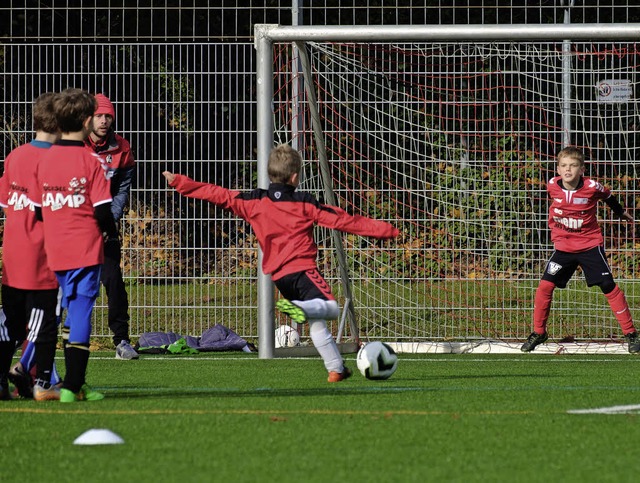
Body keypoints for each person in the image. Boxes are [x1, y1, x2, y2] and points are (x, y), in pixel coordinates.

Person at [163, 144, 399, 382]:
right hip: (303, 271)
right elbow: (342, 220)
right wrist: (384, 230)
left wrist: (181, 182)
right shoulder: (304, 203)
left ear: (270, 173)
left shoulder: (254, 201)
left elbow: (218, 194)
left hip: (279, 277)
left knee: (317, 325)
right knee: (329, 308)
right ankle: (300, 312)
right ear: (295, 177)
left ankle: (336, 369)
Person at [30, 88, 119, 402]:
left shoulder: (44, 159)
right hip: (84, 248)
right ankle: (71, 386)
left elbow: (38, 209)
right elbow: (102, 210)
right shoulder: (90, 161)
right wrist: (110, 234)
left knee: (49, 313)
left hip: (52, 250)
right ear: (85, 121)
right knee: (79, 312)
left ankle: (42, 379)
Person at [521, 146, 640, 354]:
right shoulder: (552, 185)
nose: (568, 170)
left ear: (582, 169)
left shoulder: (592, 187)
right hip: (564, 248)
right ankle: (539, 332)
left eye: (573, 166)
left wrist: (620, 212)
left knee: (607, 285)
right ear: (558, 169)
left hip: (589, 246)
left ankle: (631, 334)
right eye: (564, 166)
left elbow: (608, 196)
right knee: (545, 286)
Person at [0, 92, 62, 401]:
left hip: (12, 252)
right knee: (44, 324)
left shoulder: (16, 155)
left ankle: (3, 382)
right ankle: (44, 383)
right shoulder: (56, 160)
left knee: (11, 324)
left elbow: (6, 202)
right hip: (42, 255)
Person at [85, 93, 138, 360]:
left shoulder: (121, 148)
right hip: (73, 229)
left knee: (114, 281)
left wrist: (109, 217)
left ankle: (122, 340)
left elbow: (121, 191)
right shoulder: (73, 146)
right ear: (88, 119)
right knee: (57, 286)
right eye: (99, 116)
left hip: (105, 228)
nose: (104, 121)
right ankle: (30, 336)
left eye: (108, 116)